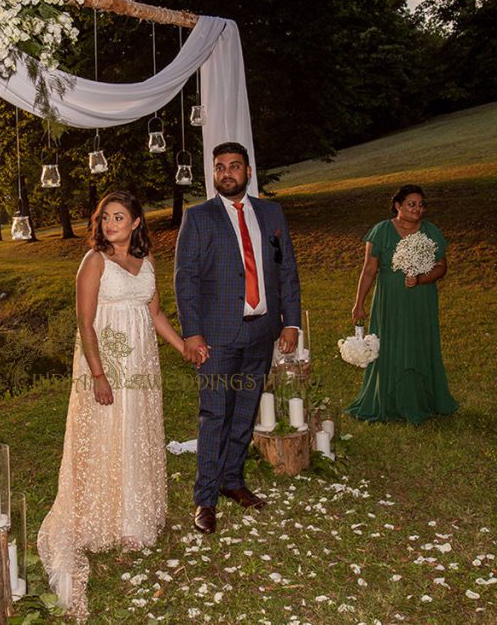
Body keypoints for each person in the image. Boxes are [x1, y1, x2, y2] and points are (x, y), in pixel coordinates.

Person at [38, 191, 187, 619]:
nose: (110, 224)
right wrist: (99, 376)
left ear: (137, 222)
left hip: (142, 365)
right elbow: (85, 323)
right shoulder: (94, 262)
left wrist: (183, 349)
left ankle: (132, 520)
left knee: (136, 435)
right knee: (105, 436)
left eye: (119, 217)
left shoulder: (148, 264)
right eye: (105, 218)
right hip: (105, 366)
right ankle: (99, 516)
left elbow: (155, 315)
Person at [174, 141, 301, 535]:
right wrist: (192, 334)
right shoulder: (199, 218)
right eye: (220, 167)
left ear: (248, 170)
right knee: (215, 415)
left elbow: (286, 271)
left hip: (262, 332)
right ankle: (205, 499)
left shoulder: (271, 213)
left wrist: (291, 322)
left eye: (234, 166)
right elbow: (186, 280)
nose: (227, 173)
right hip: (216, 337)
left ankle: (232, 480)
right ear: (213, 174)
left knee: (245, 410)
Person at [345, 184, 458, 423]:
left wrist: (420, 279)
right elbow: (368, 270)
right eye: (412, 204)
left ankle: (421, 398)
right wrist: (359, 304)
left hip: (422, 298)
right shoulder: (381, 231)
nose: (418, 209)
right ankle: (387, 399)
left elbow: (442, 267)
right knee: (389, 342)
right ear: (398, 206)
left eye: (421, 204)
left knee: (419, 342)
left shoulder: (430, 232)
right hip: (389, 298)